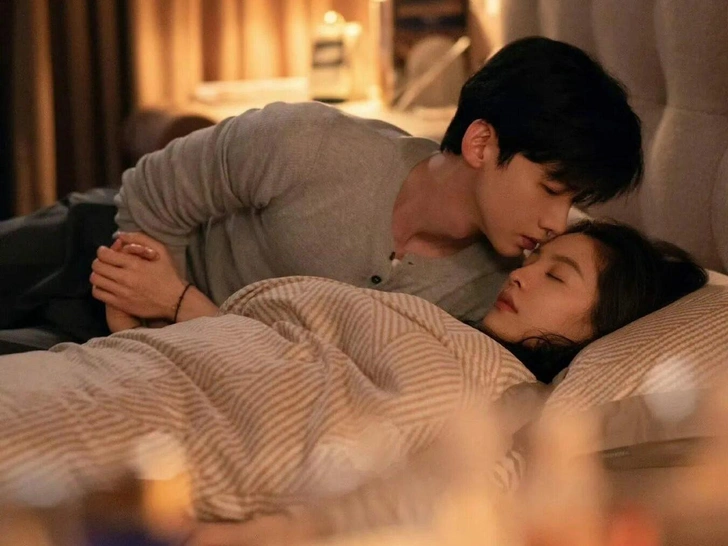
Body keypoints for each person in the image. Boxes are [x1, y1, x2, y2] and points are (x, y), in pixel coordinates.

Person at [0, 220, 707, 525]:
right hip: (132, 372)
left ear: (601, 326)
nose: (522, 274)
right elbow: (278, 349)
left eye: (557, 275)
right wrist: (155, 333)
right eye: (533, 260)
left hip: (166, 435)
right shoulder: (429, 319)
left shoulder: (505, 403)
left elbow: (450, 490)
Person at [0, 36, 643, 351]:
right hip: (103, 242)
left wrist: (160, 330)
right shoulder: (315, 143)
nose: (559, 221)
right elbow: (155, 187)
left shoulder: (490, 299)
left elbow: (312, 365)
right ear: (481, 144)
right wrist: (135, 301)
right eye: (552, 189)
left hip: (170, 334)